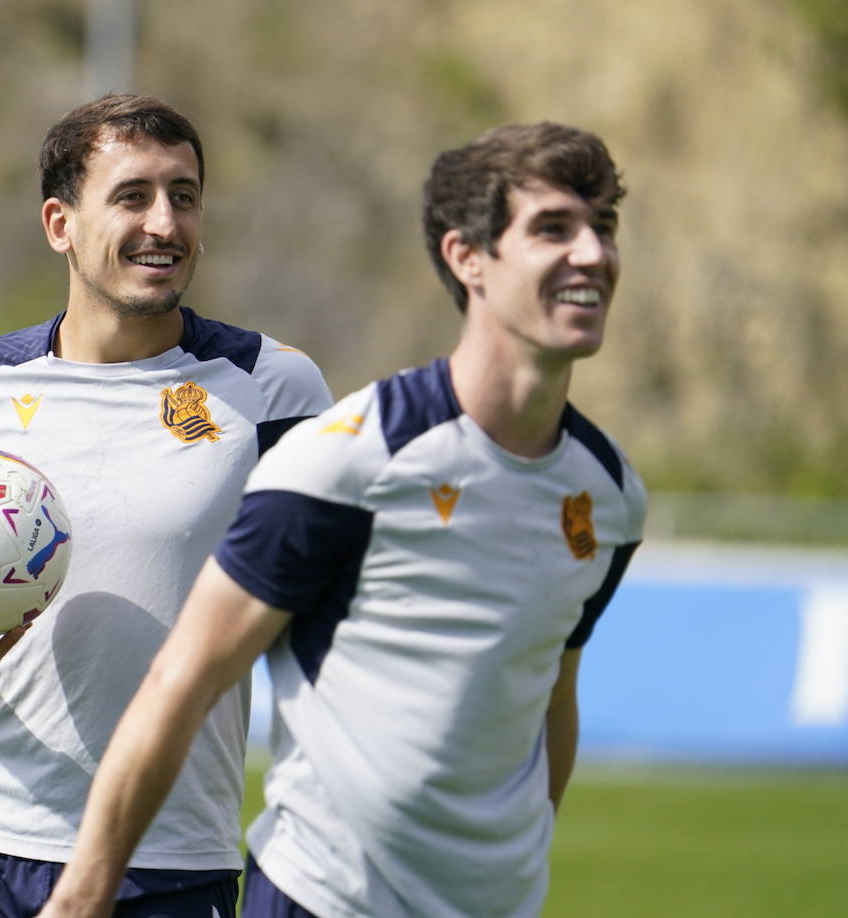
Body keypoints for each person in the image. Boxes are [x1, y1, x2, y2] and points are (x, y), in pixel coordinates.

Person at [37, 121, 648, 918]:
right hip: (322, 900)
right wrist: (84, 895)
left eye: (603, 228)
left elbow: (551, 692)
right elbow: (181, 681)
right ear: (469, 259)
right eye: (554, 230)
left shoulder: (610, 494)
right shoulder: (345, 460)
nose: (594, 255)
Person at [0, 93, 333, 918]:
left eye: (184, 196)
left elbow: (325, 616)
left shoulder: (273, 389)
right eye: (133, 196)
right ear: (61, 224)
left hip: (169, 863)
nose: (165, 222)